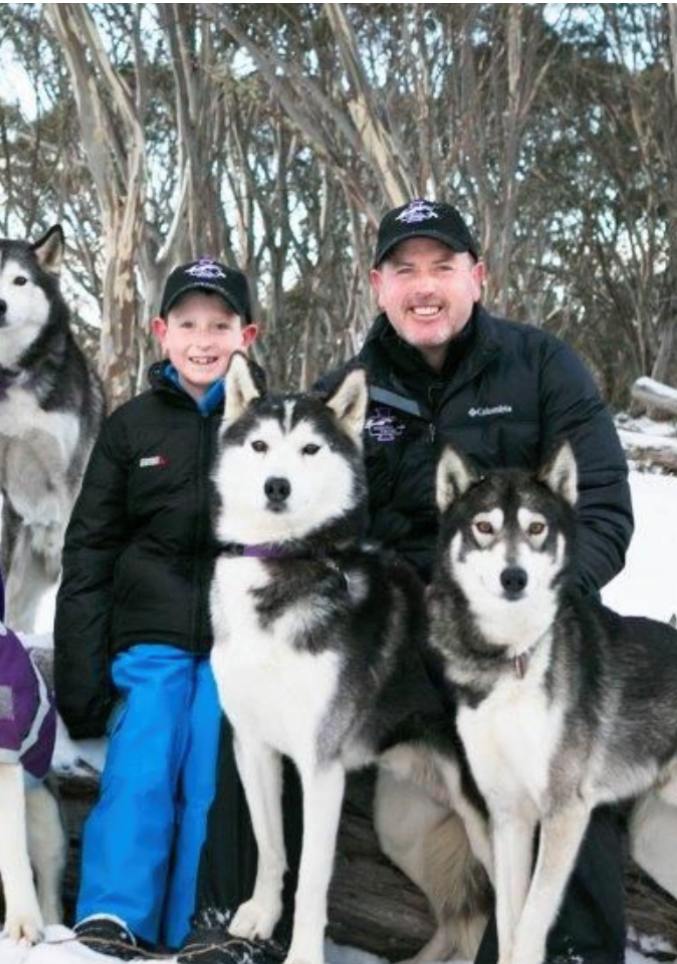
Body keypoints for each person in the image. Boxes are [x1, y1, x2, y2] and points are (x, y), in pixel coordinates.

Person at [185, 199, 635, 964]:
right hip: (394, 625)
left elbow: (603, 514)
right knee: (259, 702)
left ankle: (570, 948)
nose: (424, 287)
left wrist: (539, 615)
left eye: (442, 268)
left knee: (565, 735)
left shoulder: (539, 366)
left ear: (477, 277)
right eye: (405, 271)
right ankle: (239, 922)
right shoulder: (349, 391)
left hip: (513, 620)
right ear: (378, 286)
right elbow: (305, 505)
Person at [55, 258, 261, 958]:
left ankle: (202, 920)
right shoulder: (131, 427)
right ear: (160, 331)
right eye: (188, 324)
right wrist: (79, 680)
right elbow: (88, 552)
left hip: (240, 647)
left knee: (214, 769)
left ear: (248, 334)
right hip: (148, 641)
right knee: (143, 759)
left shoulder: (266, 425)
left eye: (221, 325)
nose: (204, 340)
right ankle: (116, 913)